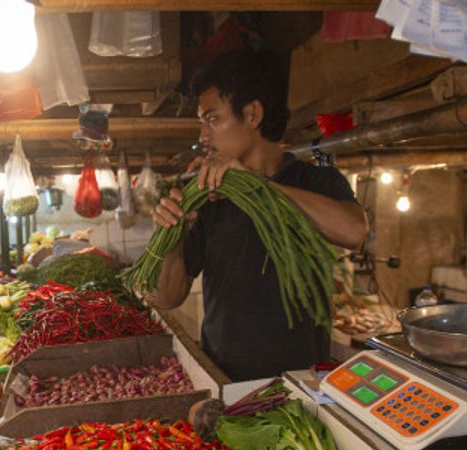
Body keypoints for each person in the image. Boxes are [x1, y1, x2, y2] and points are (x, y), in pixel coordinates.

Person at [150, 48, 367, 381]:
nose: (202, 136)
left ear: (252, 114)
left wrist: (259, 185)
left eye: (212, 119)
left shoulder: (314, 181)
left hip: (301, 384)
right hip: (223, 381)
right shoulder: (206, 196)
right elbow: (167, 297)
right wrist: (172, 239)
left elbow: (354, 231)